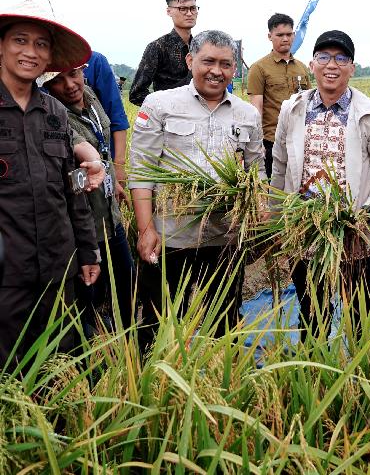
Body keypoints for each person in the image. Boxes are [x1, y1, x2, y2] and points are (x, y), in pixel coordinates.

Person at [130, 30, 266, 348]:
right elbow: (140, 172)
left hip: (224, 238)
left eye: (225, 64)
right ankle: (154, 383)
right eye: (208, 61)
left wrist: (258, 208)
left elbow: (257, 172)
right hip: (169, 237)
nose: (216, 71)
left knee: (224, 321)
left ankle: (222, 378)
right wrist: (145, 228)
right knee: (158, 321)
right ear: (191, 61)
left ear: (235, 69)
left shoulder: (247, 115)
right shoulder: (160, 104)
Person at [272, 30, 370, 343]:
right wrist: (275, 216)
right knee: (311, 308)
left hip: (351, 231)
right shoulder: (292, 109)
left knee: (359, 307)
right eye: (324, 56)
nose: (332, 64)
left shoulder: (369, 114)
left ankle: (363, 371)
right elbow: (280, 165)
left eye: (341, 58)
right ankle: (315, 373)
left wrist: (365, 212)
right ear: (312, 64)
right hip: (303, 228)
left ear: (352, 68)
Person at [0, 0, 102, 366]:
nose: (31, 52)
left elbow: (74, 190)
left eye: (41, 44)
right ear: (1, 45)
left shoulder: (56, 112)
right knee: (10, 372)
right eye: (20, 40)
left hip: (60, 268)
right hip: (8, 274)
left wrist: (89, 250)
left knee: (59, 364)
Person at [42, 65, 135, 336]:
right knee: (88, 294)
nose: (70, 85)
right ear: (47, 86)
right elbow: (84, 150)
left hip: (109, 214)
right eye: (58, 80)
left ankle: (131, 342)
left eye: (73, 74)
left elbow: (103, 142)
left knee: (127, 282)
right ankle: (95, 351)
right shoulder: (53, 114)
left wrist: (114, 178)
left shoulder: (91, 96)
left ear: (83, 71)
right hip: (83, 223)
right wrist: (98, 164)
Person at [247, 13, 312, 178]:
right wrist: (257, 144)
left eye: (289, 34)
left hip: (301, 140)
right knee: (273, 191)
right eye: (280, 35)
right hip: (272, 142)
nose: (285, 39)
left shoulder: (303, 69)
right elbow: (256, 110)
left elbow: (311, 104)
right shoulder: (259, 68)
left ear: (294, 35)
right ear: (270, 36)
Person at [129, 0, 198, 106]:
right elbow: (136, 94)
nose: (189, 13)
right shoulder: (157, 47)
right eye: (183, 9)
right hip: (171, 120)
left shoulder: (200, 47)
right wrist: (167, 109)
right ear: (169, 11)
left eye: (193, 8)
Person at [84, 51, 131, 205]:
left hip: (102, 162)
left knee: (108, 217)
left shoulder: (94, 61)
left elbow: (116, 116)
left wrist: (118, 166)